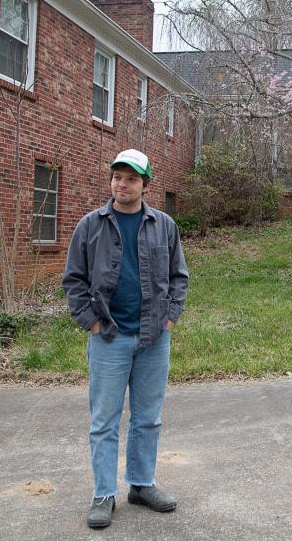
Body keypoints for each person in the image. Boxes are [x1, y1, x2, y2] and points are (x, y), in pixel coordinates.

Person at [63, 149, 189, 529]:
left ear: (144, 185)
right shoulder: (90, 225)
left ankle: (141, 484)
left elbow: (179, 276)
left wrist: (169, 317)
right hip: (108, 338)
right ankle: (104, 493)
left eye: (131, 178)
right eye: (118, 176)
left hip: (153, 337)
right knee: (104, 420)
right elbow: (74, 279)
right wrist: (91, 323)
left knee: (148, 418)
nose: (123, 184)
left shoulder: (164, 225)